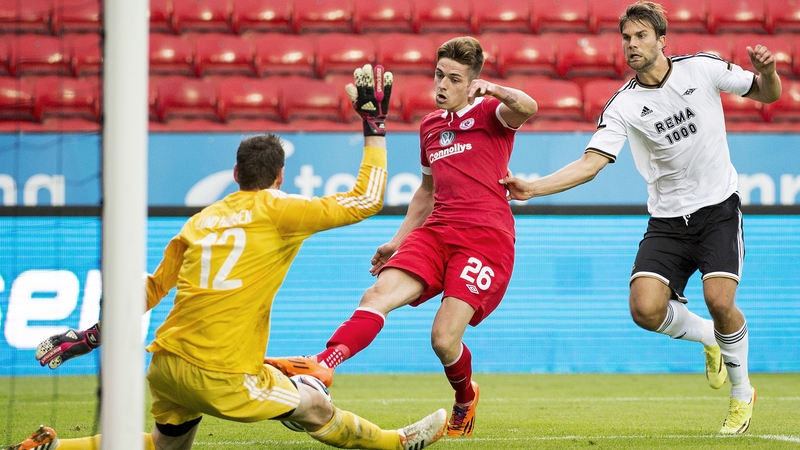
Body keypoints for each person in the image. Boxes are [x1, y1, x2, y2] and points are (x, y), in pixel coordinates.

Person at [8, 64, 448, 450]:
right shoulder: (282, 210)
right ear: (280, 177)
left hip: (165, 363)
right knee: (314, 403)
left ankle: (52, 447)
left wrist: (88, 338)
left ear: (236, 174)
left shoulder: (200, 221)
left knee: (167, 447)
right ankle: (398, 443)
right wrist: (375, 126)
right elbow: (368, 199)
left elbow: (150, 290)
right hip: (219, 375)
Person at [499, 1, 781, 435]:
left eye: (640, 36)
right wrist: (534, 187)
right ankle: (709, 338)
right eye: (626, 38)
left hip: (718, 208)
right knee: (644, 308)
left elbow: (768, 95)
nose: (631, 45)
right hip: (667, 220)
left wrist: (767, 72)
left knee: (720, 301)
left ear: (661, 40)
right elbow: (591, 162)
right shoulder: (623, 105)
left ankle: (742, 394)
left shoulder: (703, 68)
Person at [264, 36, 538, 438]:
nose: (442, 85)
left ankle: (465, 397)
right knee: (376, 296)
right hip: (437, 231)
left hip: (485, 238)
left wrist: (494, 89)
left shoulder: (492, 115)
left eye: (454, 79)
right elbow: (426, 193)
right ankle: (323, 363)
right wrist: (397, 239)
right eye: (439, 75)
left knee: (443, 340)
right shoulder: (429, 126)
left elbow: (528, 107)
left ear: (472, 82)